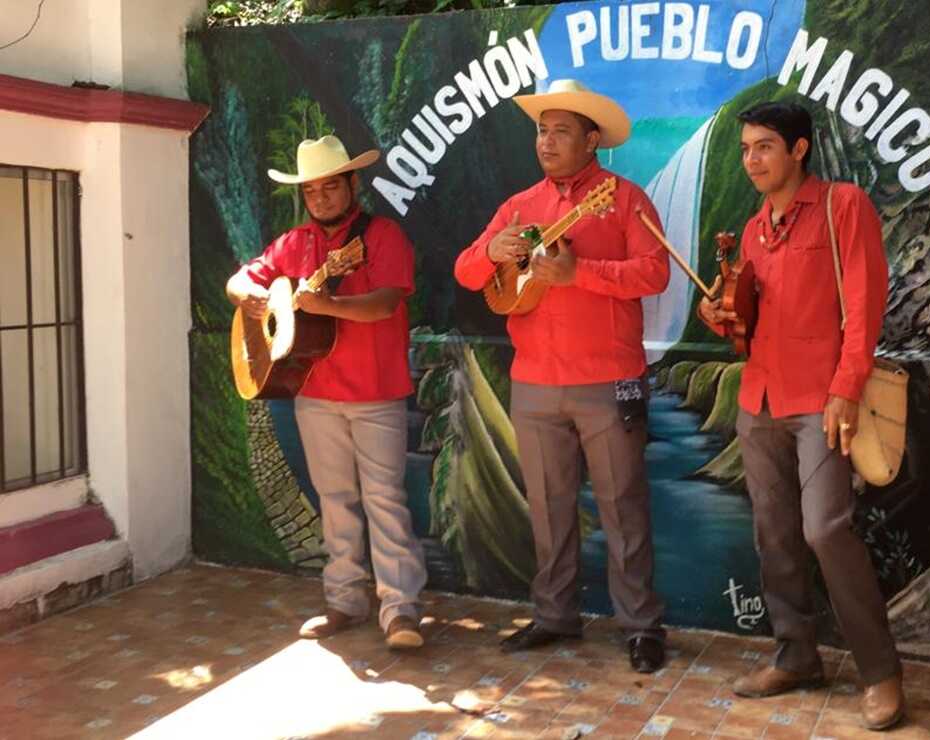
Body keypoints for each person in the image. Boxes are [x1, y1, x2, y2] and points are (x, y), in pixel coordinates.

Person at [698, 101, 905, 730]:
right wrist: (722, 317)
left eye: (764, 146)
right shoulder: (755, 229)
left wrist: (845, 388)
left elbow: (864, 305)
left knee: (825, 530)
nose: (752, 160)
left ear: (799, 149)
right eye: (744, 149)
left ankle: (880, 673)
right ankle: (796, 654)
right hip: (758, 397)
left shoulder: (844, 206)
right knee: (774, 532)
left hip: (822, 400)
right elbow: (750, 320)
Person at [454, 79, 670, 674]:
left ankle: (642, 626)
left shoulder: (624, 200)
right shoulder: (519, 205)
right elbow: (467, 270)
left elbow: (655, 274)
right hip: (535, 381)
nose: (547, 141)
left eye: (561, 131)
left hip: (610, 377)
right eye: (541, 131)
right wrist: (494, 251)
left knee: (622, 505)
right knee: (548, 506)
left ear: (592, 140)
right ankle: (554, 615)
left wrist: (582, 273)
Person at [225, 135, 427, 650]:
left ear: (352, 185)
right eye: (311, 190)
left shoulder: (382, 237)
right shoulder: (292, 245)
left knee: (384, 500)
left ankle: (400, 610)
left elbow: (383, 304)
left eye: (330, 187)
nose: (320, 198)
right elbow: (242, 281)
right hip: (313, 390)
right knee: (335, 500)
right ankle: (344, 600)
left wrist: (325, 306)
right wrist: (250, 294)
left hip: (376, 391)